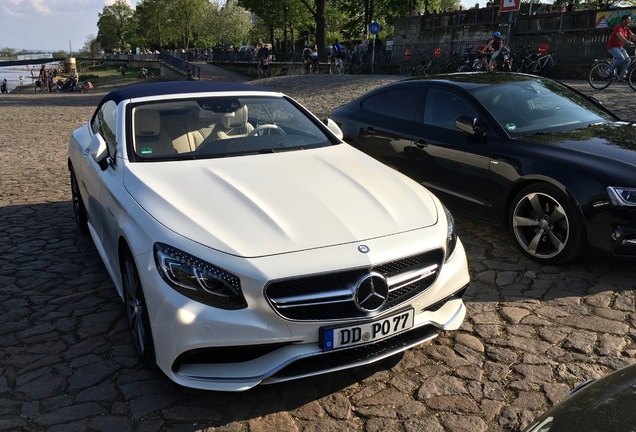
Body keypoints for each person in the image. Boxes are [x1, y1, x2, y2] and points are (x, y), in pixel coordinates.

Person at [605, 14, 636, 81]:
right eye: (628, 19)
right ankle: (609, 70)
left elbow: (633, 36)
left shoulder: (626, 29)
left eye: (630, 20)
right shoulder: (617, 27)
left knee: (628, 59)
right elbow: (621, 37)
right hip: (612, 47)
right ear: (623, 20)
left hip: (619, 48)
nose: (629, 21)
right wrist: (628, 42)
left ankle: (622, 75)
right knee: (621, 58)